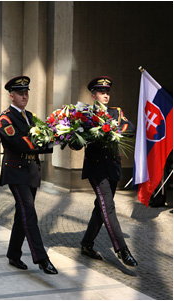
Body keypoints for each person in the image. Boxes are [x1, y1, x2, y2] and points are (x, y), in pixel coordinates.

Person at [0, 76, 58, 275]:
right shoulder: (4, 118)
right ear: (11, 96)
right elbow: (18, 142)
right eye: (20, 93)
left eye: (26, 92)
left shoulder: (30, 117)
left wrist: (58, 136)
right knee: (29, 211)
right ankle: (41, 258)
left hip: (31, 170)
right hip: (15, 171)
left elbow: (42, 135)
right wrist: (43, 142)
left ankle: (13, 254)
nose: (25, 96)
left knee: (21, 213)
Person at [79, 76, 138, 266]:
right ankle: (122, 249)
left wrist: (113, 128)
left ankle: (87, 243)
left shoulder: (116, 112)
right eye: (101, 92)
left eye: (107, 92)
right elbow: (78, 137)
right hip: (97, 167)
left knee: (101, 207)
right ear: (93, 95)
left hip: (112, 166)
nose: (105, 95)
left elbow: (130, 127)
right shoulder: (86, 114)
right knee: (108, 206)